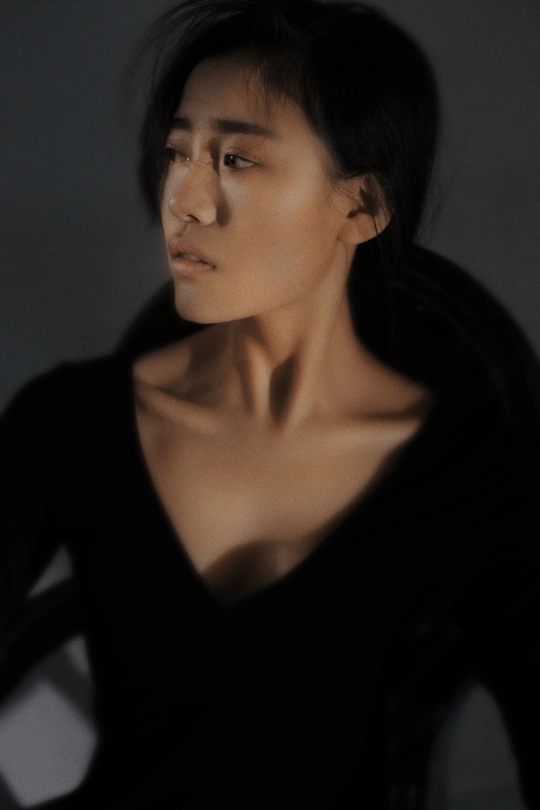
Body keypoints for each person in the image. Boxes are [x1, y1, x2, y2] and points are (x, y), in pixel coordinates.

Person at [1, 0, 539, 807]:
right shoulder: (70, 421)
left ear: (362, 207)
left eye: (237, 159)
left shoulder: (463, 470)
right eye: (178, 151)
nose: (184, 198)